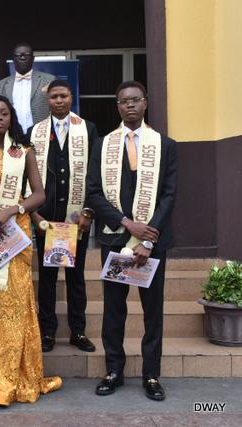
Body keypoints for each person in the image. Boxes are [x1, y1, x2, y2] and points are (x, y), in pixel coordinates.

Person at [0, 95, 61, 406]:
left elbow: (39, 195)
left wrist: (12, 209)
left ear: (11, 118)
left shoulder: (24, 151)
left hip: (14, 233)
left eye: (4, 113)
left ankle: (17, 376)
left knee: (16, 301)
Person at [87, 81, 178, 401]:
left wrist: (148, 238)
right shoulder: (103, 144)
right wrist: (126, 224)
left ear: (145, 103)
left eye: (135, 100)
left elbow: (168, 195)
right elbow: (93, 192)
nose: (130, 105)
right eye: (123, 101)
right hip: (115, 240)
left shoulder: (165, 145)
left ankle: (151, 375)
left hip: (152, 244)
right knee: (114, 309)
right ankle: (114, 370)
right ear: (117, 106)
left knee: (153, 311)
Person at [27, 80, 99, 353]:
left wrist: (88, 211)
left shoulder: (87, 129)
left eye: (63, 96)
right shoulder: (35, 132)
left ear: (71, 97)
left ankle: (77, 331)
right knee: (46, 278)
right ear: (47, 100)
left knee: (75, 277)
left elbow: (95, 173)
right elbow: (27, 174)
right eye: (54, 97)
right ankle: (47, 331)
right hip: (46, 218)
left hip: (76, 217)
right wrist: (34, 214)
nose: (58, 101)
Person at [0, 43, 55, 133]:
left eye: (26, 55)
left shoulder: (49, 80)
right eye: (19, 55)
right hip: (11, 134)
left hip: (41, 134)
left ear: (33, 59)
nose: (23, 58)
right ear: (13, 59)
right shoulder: (0, 85)